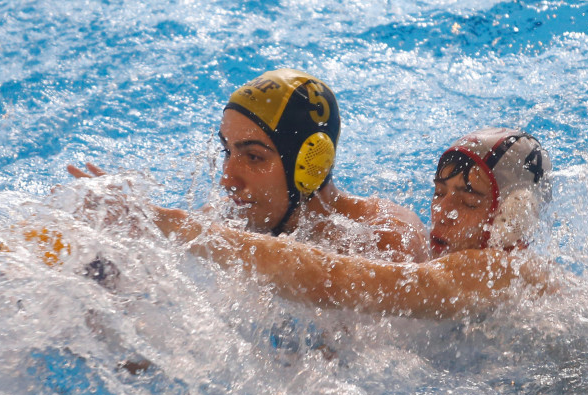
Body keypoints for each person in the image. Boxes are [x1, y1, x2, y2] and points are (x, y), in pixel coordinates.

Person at [72, 127, 555, 320]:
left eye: (468, 200)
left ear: (511, 219)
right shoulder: (450, 261)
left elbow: (337, 280)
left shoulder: (503, 272)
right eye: (439, 192)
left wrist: (168, 223)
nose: (442, 211)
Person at [69, 68, 429, 263]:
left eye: (254, 156)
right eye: (228, 151)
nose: (228, 179)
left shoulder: (384, 237)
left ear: (308, 163)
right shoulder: (232, 218)